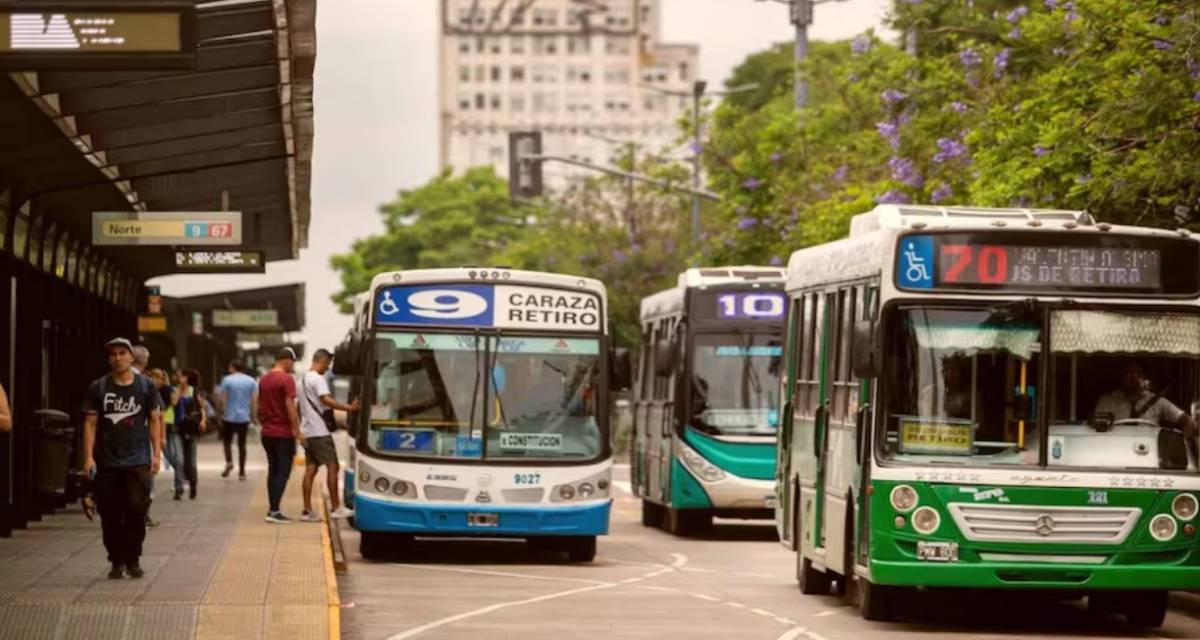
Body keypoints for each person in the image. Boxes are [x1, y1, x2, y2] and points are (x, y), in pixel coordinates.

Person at [82, 337, 163, 580]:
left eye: (122, 353)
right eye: (113, 354)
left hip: (138, 459)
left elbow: (155, 419)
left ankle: (133, 558)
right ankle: (116, 560)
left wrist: (156, 454)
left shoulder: (146, 386)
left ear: (131, 357)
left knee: (136, 509)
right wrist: (88, 458)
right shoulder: (99, 387)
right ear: (109, 359)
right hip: (107, 461)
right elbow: (90, 423)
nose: (118, 358)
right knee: (110, 513)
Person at [299, 349, 358, 522]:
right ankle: (335, 507)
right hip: (320, 432)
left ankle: (307, 511)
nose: (328, 367)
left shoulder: (301, 380)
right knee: (333, 466)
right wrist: (350, 408)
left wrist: (299, 431)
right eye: (328, 364)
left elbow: (298, 407)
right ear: (322, 361)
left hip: (308, 431)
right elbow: (327, 401)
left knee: (311, 469)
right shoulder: (317, 379)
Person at [1094, 361, 1197, 437]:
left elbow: (1186, 421)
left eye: (1138, 373)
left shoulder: (1157, 401)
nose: (1133, 377)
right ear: (1121, 376)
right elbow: (1097, 429)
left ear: (1143, 377)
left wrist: (1184, 444)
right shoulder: (1107, 401)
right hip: (1116, 451)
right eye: (1128, 373)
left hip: (1150, 453)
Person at [259, 348, 302, 523]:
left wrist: (262, 422)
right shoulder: (286, 379)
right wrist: (296, 430)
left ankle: (273, 509)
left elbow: (258, 405)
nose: (293, 365)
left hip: (267, 432)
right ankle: (274, 511)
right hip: (283, 433)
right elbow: (290, 405)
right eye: (293, 361)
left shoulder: (264, 379)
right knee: (283, 473)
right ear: (286, 360)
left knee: (273, 470)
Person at [216, 359, 257, 480]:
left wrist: (220, 412)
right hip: (244, 417)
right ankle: (242, 472)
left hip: (229, 416)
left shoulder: (227, 380)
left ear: (233, 367)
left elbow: (221, 398)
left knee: (227, 441)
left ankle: (229, 461)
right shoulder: (251, 381)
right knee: (242, 444)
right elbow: (254, 401)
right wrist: (253, 417)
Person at [172, 369, 207, 500]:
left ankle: (193, 486)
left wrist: (203, 420)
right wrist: (180, 390)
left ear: (186, 378)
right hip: (178, 429)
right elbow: (174, 402)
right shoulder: (175, 390)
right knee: (179, 460)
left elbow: (201, 408)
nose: (178, 378)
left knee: (191, 462)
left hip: (192, 429)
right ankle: (179, 488)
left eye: (180, 376)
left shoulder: (194, 391)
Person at [149, 369, 183, 498]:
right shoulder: (148, 389)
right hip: (153, 430)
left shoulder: (167, 390)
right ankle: (150, 494)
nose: (156, 380)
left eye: (159, 378)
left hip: (168, 428)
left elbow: (172, 404)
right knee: (151, 462)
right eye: (154, 377)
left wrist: (179, 387)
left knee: (175, 460)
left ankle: (179, 485)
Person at [918, 355, 973, 420]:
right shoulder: (931, 391)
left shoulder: (969, 394)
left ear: (961, 372)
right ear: (942, 372)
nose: (950, 373)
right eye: (946, 369)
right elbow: (926, 417)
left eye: (954, 369)